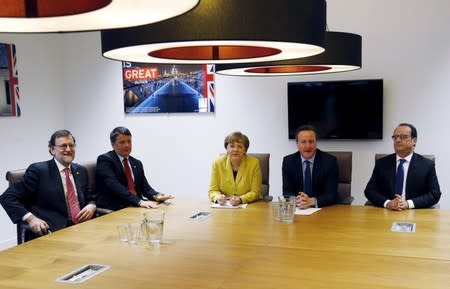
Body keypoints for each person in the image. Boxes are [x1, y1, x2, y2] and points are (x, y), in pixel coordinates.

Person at [0, 129, 96, 241]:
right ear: (51, 149)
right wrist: (31, 219)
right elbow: (7, 197)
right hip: (54, 231)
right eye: (63, 146)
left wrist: (91, 206)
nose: (68, 149)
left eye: (71, 145)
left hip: (84, 227)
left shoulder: (80, 170)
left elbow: (89, 197)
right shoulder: (39, 171)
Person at [364, 123, 441, 210]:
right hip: (387, 211)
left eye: (403, 137)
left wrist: (408, 204)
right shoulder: (382, 163)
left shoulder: (427, 165)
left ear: (414, 140)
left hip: (415, 211)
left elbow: (435, 194)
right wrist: (388, 203)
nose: (397, 140)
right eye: (395, 137)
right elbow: (369, 191)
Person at [95, 126, 173, 211]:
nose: (127, 145)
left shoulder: (136, 163)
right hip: (116, 208)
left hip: (134, 205)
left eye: (129, 141)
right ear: (113, 145)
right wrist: (139, 201)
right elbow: (115, 186)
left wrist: (156, 195)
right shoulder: (105, 160)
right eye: (122, 142)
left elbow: (145, 188)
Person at [282, 125, 339, 208]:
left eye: (311, 141)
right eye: (303, 142)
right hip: (299, 208)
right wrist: (299, 200)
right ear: (297, 144)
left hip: (323, 208)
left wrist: (312, 201)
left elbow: (331, 194)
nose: (308, 146)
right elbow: (287, 192)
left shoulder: (329, 161)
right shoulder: (288, 162)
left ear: (316, 143)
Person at [208, 131, 261, 205]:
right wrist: (217, 197)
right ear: (227, 148)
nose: (235, 150)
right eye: (232, 146)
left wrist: (241, 199)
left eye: (239, 146)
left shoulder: (253, 163)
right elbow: (212, 190)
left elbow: (255, 192)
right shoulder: (217, 163)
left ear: (245, 149)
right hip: (224, 206)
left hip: (248, 206)